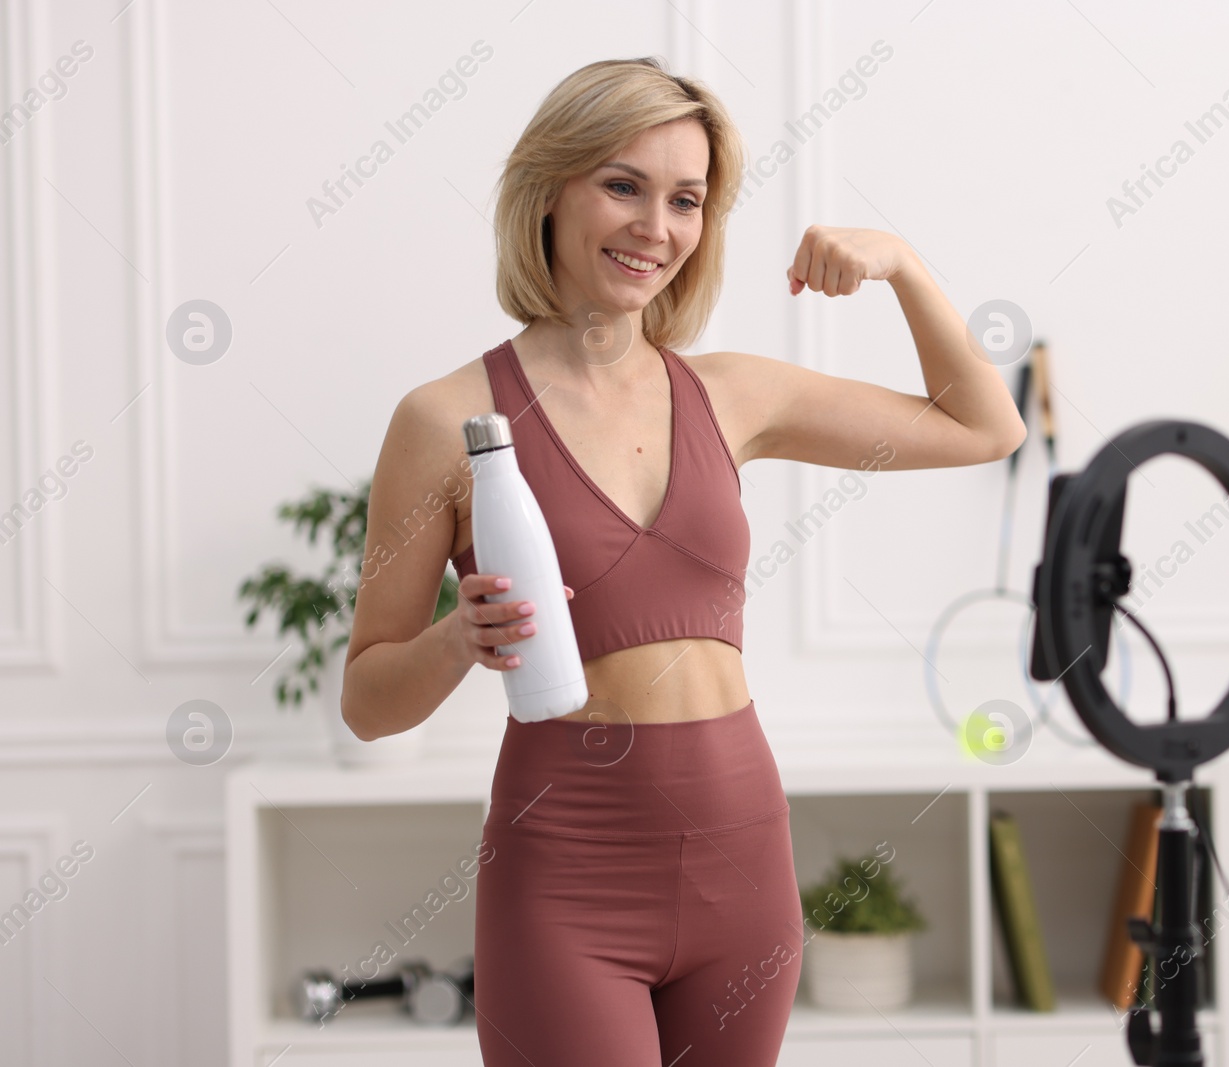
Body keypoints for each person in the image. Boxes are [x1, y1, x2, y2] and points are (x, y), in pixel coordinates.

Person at [341, 55, 1026, 1067]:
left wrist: (901, 265)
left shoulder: (732, 392)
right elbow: (367, 699)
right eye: (622, 184)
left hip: (743, 855)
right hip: (567, 871)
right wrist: (456, 638)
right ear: (550, 189)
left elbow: (984, 424)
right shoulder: (445, 421)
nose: (654, 227)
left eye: (686, 199)